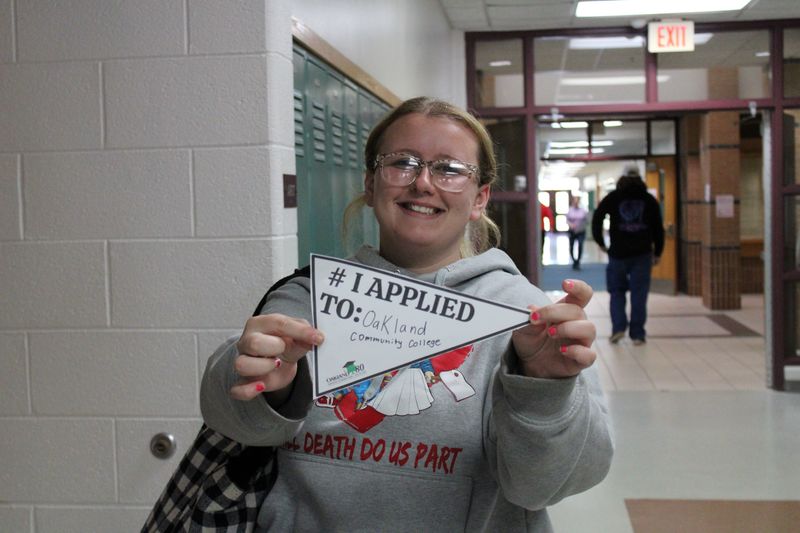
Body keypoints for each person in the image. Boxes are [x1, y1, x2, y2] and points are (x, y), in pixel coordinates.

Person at [201, 97, 613, 531]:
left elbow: (545, 486)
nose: (422, 183)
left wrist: (544, 391)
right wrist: (261, 381)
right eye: (402, 163)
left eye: (450, 170)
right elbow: (234, 421)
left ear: (480, 198)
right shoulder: (307, 300)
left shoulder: (526, 318)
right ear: (370, 183)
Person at [591, 168, 665, 345]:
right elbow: (658, 227)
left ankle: (618, 329)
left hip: (617, 254)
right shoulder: (648, 199)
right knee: (639, 294)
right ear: (640, 178)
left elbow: (597, 218)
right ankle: (638, 334)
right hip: (642, 254)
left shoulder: (614, 197)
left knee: (617, 292)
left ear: (622, 178)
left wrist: (601, 242)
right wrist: (658, 251)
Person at [566, 196, 589, 270]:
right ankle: (574, 261)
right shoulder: (570, 210)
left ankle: (578, 261)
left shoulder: (583, 210)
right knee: (571, 246)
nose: (576, 203)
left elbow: (586, 221)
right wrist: (571, 225)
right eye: (574, 201)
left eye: (577, 201)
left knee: (580, 244)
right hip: (572, 231)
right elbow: (567, 220)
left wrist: (581, 227)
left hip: (581, 231)